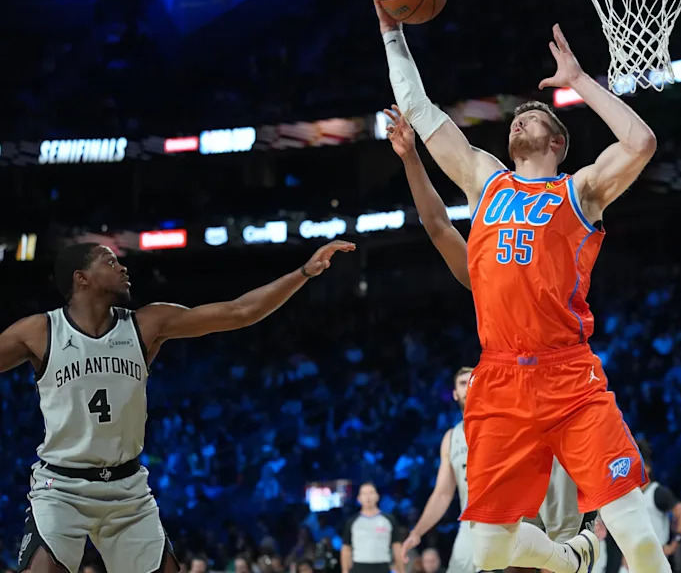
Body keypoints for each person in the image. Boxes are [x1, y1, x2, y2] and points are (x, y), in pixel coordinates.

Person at [375, 0, 663, 573]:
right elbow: (422, 112)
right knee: (488, 549)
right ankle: (575, 559)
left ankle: (593, 550)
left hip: (567, 373)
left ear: (557, 139)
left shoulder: (579, 190)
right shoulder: (486, 180)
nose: (518, 121)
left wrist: (580, 81)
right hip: (499, 377)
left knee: (635, 532)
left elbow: (639, 142)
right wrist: (391, 31)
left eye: (531, 117)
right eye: (516, 119)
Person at [0, 240, 354, 573]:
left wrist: (304, 272)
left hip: (127, 489)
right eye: (110, 262)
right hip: (61, 486)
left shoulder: (146, 323)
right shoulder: (41, 330)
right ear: (83, 279)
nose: (123, 267)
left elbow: (240, 311)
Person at [385, 108, 588, 573]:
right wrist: (411, 158)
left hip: (554, 393)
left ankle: (580, 548)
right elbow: (437, 226)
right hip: (506, 410)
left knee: (554, 542)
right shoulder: (481, 275)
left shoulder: (547, 236)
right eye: (460, 383)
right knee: (506, 551)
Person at [635, 438, 681, 559]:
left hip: (657, 555)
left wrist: (674, 544)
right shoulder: (631, 495)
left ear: (647, 468)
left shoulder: (657, 492)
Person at [341, 483, 403, 573]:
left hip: (383, 566)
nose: (368, 497)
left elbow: (397, 547)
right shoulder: (352, 522)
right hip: (359, 567)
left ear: (377, 496)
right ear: (359, 498)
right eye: (364, 494)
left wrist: (401, 570)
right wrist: (345, 570)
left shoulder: (389, 520)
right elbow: (346, 548)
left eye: (371, 493)